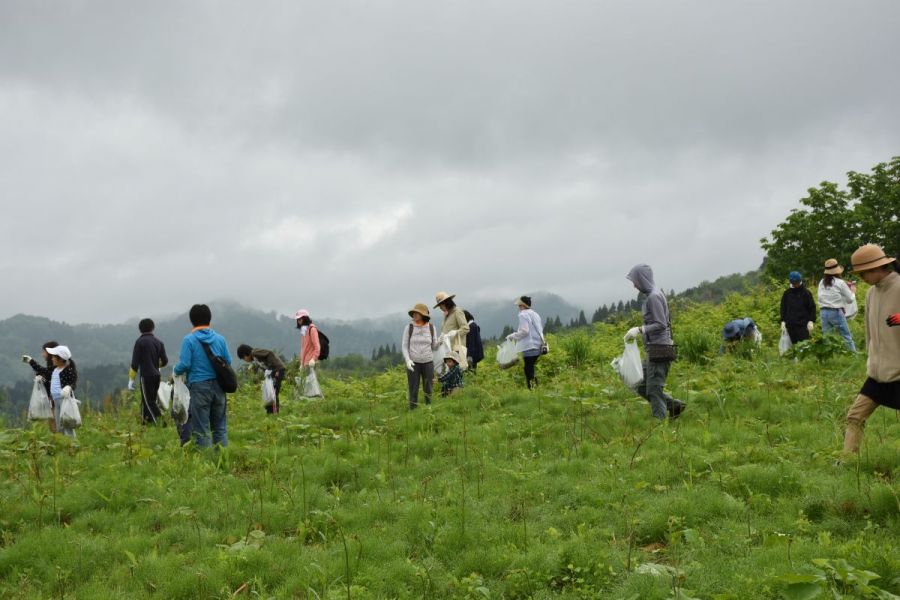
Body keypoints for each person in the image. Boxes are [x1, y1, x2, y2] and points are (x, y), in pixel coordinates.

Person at [841, 244, 899, 455]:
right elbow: (869, 333)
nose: (862, 277)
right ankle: (847, 463)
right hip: (877, 374)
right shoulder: (871, 294)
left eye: (863, 273)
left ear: (878, 268)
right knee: (855, 416)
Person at [625, 264, 685, 420]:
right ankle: (674, 405)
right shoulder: (654, 295)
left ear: (643, 279)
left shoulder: (654, 297)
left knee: (654, 389)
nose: (634, 285)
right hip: (654, 349)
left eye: (636, 280)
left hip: (660, 349)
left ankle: (659, 427)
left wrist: (640, 329)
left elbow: (661, 323)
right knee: (639, 384)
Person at [172, 304, 232, 448]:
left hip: (199, 388)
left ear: (191, 320)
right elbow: (228, 362)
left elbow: (185, 364)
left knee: (202, 430)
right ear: (209, 319)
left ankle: (207, 465)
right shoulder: (220, 339)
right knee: (220, 428)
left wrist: (175, 370)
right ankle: (222, 461)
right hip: (219, 387)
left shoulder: (189, 340)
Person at [28, 345, 78, 437]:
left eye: (55, 357)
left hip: (64, 400)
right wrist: (31, 361)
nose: (53, 359)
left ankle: (72, 444)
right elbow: (41, 369)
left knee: (67, 423)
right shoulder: (54, 370)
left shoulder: (68, 370)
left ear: (61, 358)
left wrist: (68, 387)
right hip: (55, 401)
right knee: (59, 425)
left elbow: (73, 383)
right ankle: (63, 442)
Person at [129, 318, 169, 425]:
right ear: (153, 328)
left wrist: (131, 379)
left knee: (149, 402)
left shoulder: (140, 342)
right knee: (147, 400)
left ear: (140, 329)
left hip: (146, 376)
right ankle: (145, 424)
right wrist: (156, 365)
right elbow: (165, 361)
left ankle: (162, 425)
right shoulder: (159, 342)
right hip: (157, 375)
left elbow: (135, 363)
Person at [401, 303, 440, 409]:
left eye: (417, 313)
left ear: (423, 314)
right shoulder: (409, 328)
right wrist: (408, 360)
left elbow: (434, 346)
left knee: (428, 388)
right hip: (413, 363)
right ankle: (413, 411)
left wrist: (441, 341)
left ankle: (429, 409)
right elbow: (404, 346)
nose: (414, 315)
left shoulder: (431, 328)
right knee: (413, 388)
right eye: (414, 313)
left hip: (428, 362)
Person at [817, 258, 857, 352]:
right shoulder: (840, 282)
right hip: (835, 312)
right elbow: (850, 299)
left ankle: (828, 356)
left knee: (827, 337)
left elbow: (821, 297)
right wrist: (853, 292)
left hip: (823, 312)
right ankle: (854, 356)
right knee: (846, 336)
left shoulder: (821, 282)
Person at [506, 296, 545, 389]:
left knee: (528, 369)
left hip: (529, 346)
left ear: (523, 305)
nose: (518, 307)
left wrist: (512, 336)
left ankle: (533, 389)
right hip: (538, 345)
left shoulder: (523, 314)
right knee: (529, 368)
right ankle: (535, 388)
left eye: (519, 305)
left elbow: (525, 331)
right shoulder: (535, 314)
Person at [23, 340, 61, 432]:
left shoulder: (57, 367)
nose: (43, 354)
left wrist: (31, 362)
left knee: (56, 423)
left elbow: (47, 373)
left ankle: (60, 442)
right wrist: (41, 379)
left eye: (44, 352)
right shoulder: (53, 367)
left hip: (56, 399)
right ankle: (58, 441)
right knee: (53, 423)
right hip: (52, 399)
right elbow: (47, 379)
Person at [237, 344, 286, 414]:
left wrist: (271, 367)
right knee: (270, 391)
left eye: (243, 358)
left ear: (245, 354)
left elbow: (269, 353)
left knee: (273, 391)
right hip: (272, 372)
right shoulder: (255, 358)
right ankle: (270, 411)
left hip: (277, 369)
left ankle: (274, 412)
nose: (245, 360)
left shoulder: (254, 352)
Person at [434, 292, 470, 370]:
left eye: (441, 305)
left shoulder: (457, 312)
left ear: (446, 303)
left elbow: (466, 328)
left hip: (456, 348)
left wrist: (455, 333)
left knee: (456, 372)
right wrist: (441, 338)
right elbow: (445, 330)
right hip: (447, 349)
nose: (440, 307)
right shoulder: (447, 315)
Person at [780, 271, 816, 344]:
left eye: (796, 282)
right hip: (790, 325)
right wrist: (783, 320)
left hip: (803, 325)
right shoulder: (787, 293)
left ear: (800, 281)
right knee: (793, 346)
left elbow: (812, 307)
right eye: (793, 283)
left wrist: (811, 320)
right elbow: (783, 307)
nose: (795, 284)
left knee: (804, 345)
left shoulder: (806, 293)